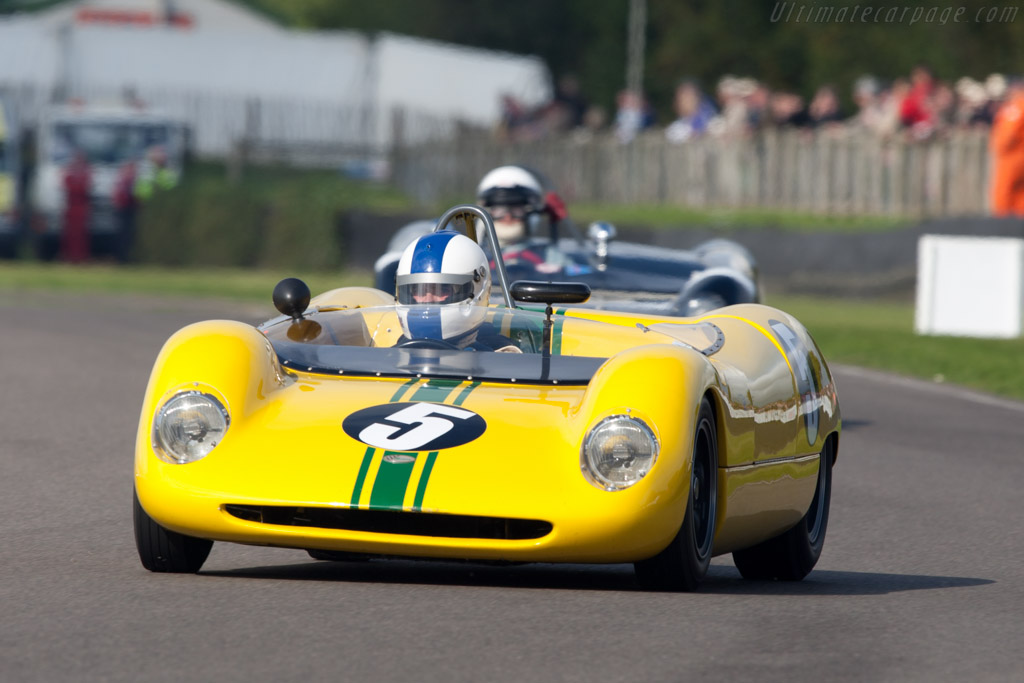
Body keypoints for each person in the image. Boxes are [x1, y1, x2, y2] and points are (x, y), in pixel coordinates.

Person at [394, 230, 519, 352]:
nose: (428, 299)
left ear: (476, 290)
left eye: (442, 289)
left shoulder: (501, 361)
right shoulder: (386, 360)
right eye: (417, 290)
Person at [475, 165, 569, 273]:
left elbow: (577, 275)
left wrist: (556, 271)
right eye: (499, 209)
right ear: (486, 212)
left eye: (516, 209)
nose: (507, 216)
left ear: (531, 213)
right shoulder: (475, 254)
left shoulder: (548, 255)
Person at [989, 79, 1024, 217]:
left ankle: (1002, 225)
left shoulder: (1017, 105)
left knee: (1003, 190)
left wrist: (999, 145)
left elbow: (1008, 133)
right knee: (1020, 192)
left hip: (1012, 156)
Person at [61, 150, 91, 263]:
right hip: (72, 206)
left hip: (81, 206)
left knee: (81, 235)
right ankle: (69, 256)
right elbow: (67, 184)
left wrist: (76, 185)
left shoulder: (85, 171)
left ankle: (81, 257)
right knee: (70, 235)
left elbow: (85, 186)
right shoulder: (70, 171)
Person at [112, 159, 138, 263]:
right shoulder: (122, 182)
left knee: (130, 236)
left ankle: (129, 258)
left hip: (131, 210)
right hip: (123, 210)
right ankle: (121, 258)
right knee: (123, 235)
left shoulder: (134, 182)